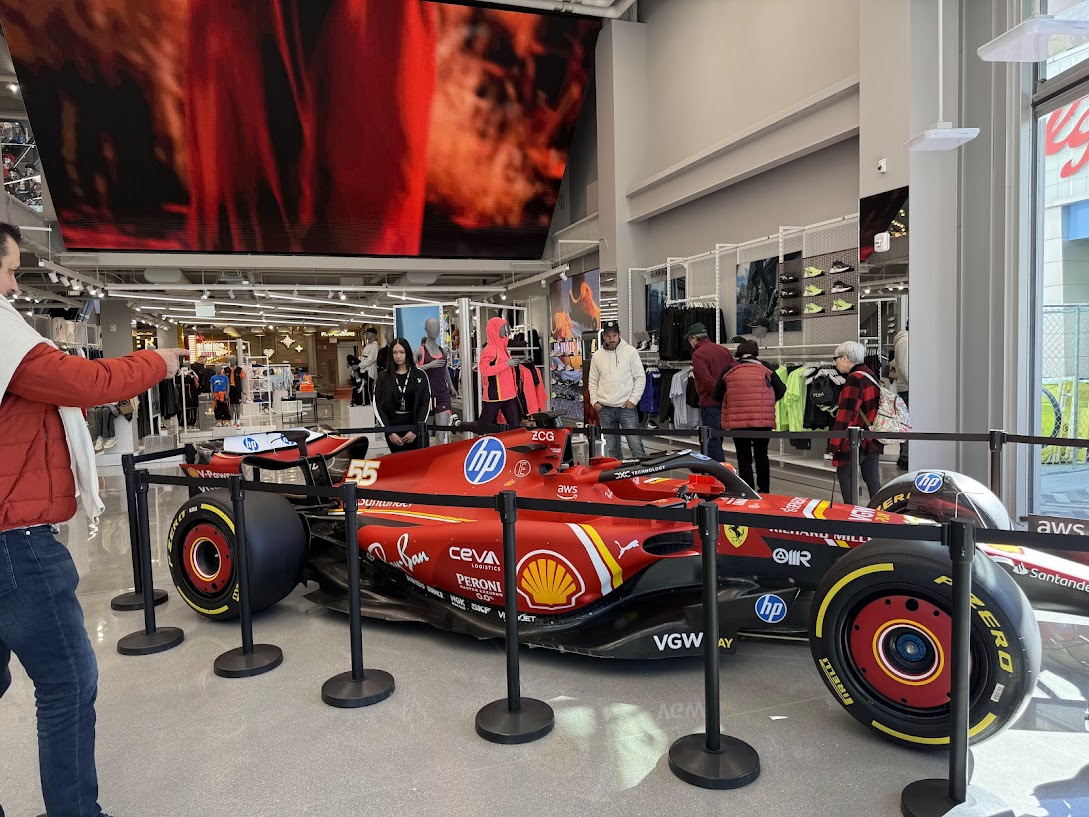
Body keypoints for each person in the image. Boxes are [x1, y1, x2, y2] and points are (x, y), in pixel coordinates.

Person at [0, 220, 188, 817]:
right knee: (69, 685)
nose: (12, 282)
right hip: (16, 542)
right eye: (7, 267)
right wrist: (155, 361)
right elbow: (84, 382)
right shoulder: (4, 335)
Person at [712, 339, 785, 494]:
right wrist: (764, 402)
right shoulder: (765, 366)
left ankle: (748, 491)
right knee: (762, 455)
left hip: (738, 421)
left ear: (739, 352)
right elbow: (781, 390)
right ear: (755, 352)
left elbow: (716, 394)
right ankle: (764, 491)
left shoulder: (729, 368)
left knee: (743, 457)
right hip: (762, 421)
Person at [829, 340, 884, 501]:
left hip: (854, 439)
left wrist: (833, 445)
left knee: (845, 475)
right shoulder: (869, 374)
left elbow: (846, 414)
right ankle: (882, 512)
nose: (836, 363)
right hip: (871, 435)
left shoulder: (854, 379)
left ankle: (851, 513)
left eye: (836, 358)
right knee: (872, 479)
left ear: (845, 358)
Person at [589, 320, 647, 460]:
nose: (612, 339)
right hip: (605, 409)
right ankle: (617, 480)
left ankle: (643, 479)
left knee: (636, 447)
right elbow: (593, 381)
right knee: (613, 450)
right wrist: (594, 402)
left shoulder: (630, 352)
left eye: (614, 335)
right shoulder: (597, 356)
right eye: (608, 336)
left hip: (626, 408)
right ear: (604, 337)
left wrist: (633, 400)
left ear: (619, 334)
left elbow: (640, 377)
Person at [687, 322, 735, 462]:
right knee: (718, 437)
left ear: (694, 338)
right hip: (726, 402)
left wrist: (717, 393)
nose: (690, 343)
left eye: (689, 339)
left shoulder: (698, 354)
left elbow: (706, 379)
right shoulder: (723, 350)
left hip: (710, 402)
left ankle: (718, 474)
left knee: (711, 440)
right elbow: (733, 373)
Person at [374, 338, 431, 453]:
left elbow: (425, 404)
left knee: (418, 464)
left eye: (401, 352)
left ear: (407, 353)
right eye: (395, 353)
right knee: (399, 463)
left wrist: (415, 430)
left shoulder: (420, 375)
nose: (398, 356)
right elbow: (378, 406)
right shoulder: (383, 377)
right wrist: (389, 432)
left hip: (415, 426)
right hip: (393, 427)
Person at [417, 317, 457, 443]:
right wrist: (429, 365)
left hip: (442, 394)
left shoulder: (443, 351)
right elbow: (412, 372)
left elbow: (444, 369)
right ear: (426, 330)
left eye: (436, 327)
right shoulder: (419, 351)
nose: (434, 330)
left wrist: (451, 386)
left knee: (441, 434)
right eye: (431, 327)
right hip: (426, 396)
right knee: (425, 435)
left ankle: (440, 461)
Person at [478, 316, 523, 427]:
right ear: (495, 330)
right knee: (484, 426)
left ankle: (514, 444)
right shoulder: (489, 350)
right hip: (495, 395)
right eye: (502, 327)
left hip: (509, 394)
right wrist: (507, 364)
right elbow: (485, 370)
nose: (504, 330)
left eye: (504, 327)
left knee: (515, 425)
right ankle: (459, 424)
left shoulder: (503, 347)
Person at [892, 321, 909, 470]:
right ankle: (905, 458)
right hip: (908, 388)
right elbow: (903, 367)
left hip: (908, 387)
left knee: (908, 423)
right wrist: (914, 383)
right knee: (908, 424)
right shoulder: (905, 340)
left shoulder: (907, 340)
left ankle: (906, 456)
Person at [360, 327, 379, 405]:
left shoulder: (374, 346)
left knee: (369, 389)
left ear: (373, 334)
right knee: (365, 388)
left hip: (370, 371)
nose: (366, 335)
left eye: (368, 333)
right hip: (365, 369)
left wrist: (359, 365)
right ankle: (366, 402)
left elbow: (371, 359)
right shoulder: (368, 345)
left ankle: (371, 404)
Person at [225, 354, 245, 429]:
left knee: (238, 404)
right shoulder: (226, 370)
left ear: (236, 360)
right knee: (231, 405)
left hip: (237, 389)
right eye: (230, 360)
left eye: (233, 360)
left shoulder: (240, 369)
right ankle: (231, 419)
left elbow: (242, 380)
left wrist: (243, 389)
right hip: (229, 389)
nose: (232, 361)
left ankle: (238, 420)